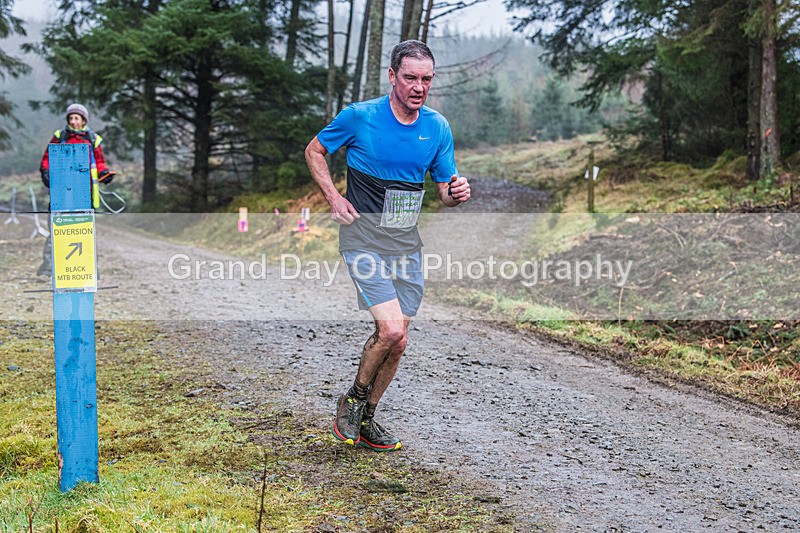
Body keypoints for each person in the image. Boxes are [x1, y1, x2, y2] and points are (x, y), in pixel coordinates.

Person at [304, 40, 471, 451]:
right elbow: (315, 151)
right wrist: (332, 197)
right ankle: (354, 399)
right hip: (362, 238)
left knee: (400, 339)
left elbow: (445, 192)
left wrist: (458, 193)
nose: (419, 86)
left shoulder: (437, 127)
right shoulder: (360, 117)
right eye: (410, 77)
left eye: (426, 79)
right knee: (391, 328)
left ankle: (368, 420)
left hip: (405, 245)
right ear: (393, 76)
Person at [37, 103, 115, 276]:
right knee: (57, 229)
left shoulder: (93, 139)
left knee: (84, 232)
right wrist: (45, 172)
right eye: (70, 118)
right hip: (61, 192)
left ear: (83, 120)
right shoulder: (60, 136)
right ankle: (49, 268)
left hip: (84, 193)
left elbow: (100, 162)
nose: (73, 121)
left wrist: (105, 174)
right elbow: (47, 158)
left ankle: (89, 269)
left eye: (76, 118)